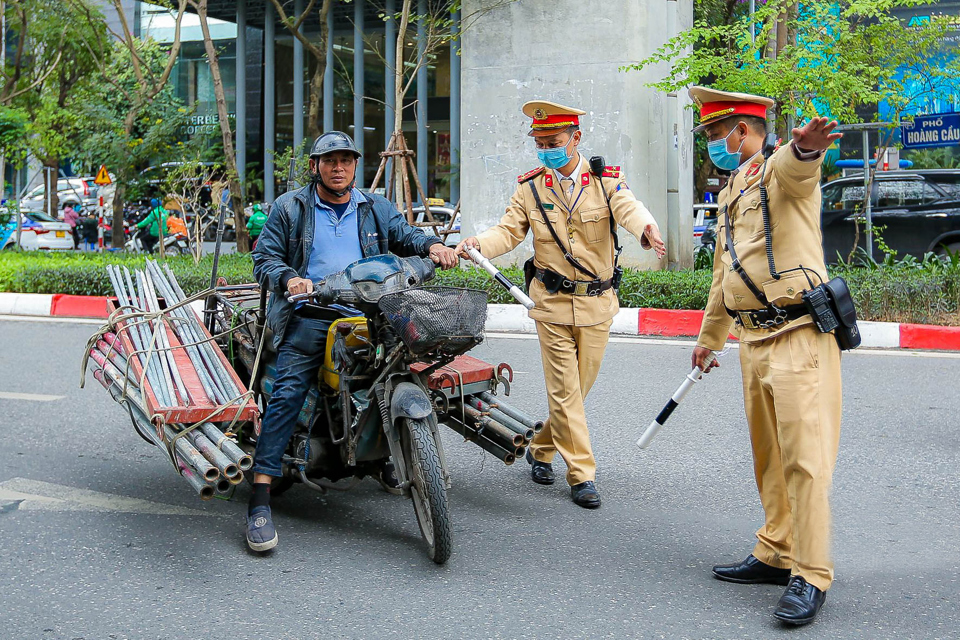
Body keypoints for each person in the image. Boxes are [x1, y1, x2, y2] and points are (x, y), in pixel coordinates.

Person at [248, 131, 458, 552]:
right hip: (312, 314)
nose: (338, 167)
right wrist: (290, 278)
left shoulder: (375, 206)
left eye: (346, 160)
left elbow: (407, 235)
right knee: (288, 394)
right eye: (330, 160)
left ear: (355, 166)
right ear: (316, 167)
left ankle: (384, 452)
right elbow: (265, 257)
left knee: (401, 369)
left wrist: (434, 245)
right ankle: (260, 496)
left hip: (371, 312)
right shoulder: (291, 208)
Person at [456, 101, 665, 509]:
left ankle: (541, 446)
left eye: (553, 142)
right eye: (540, 143)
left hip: (597, 304)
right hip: (549, 304)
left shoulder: (605, 181)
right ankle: (582, 473)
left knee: (577, 391)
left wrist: (646, 228)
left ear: (575, 139)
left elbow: (629, 209)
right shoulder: (530, 188)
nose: (546, 150)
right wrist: (479, 243)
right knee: (566, 390)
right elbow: (508, 232)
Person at [687, 86, 843, 626]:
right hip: (754, 339)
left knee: (805, 459)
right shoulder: (733, 186)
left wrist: (805, 150)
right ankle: (777, 550)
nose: (713, 144)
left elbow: (797, 170)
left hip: (798, 333)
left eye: (716, 135)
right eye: (708, 135)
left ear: (744, 132)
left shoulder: (777, 169)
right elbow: (724, 275)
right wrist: (711, 338)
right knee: (770, 458)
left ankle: (811, 573)